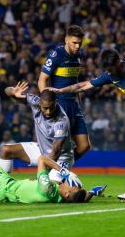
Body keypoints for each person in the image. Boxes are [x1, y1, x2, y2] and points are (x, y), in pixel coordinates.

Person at [48, 48, 125, 202]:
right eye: (108, 70)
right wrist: (60, 90)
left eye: (112, 69)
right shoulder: (111, 75)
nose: (110, 73)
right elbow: (83, 86)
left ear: (119, 61)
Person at [0, 148, 98, 204]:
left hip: (4, 185)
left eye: (69, 187)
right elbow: (80, 197)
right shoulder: (62, 197)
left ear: (66, 194)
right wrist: (91, 192)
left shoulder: (48, 189)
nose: (67, 184)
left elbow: (42, 159)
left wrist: (63, 171)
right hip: (8, 192)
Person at [0, 81, 76, 184]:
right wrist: (13, 92)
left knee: (50, 187)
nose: (48, 112)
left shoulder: (61, 121)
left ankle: (82, 191)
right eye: (45, 108)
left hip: (60, 158)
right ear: (39, 103)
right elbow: (6, 91)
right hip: (41, 150)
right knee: (6, 150)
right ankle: (2, 186)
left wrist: (40, 176)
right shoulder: (34, 101)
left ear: (56, 102)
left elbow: (56, 151)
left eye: (51, 108)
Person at [38, 25, 91, 161]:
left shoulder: (79, 56)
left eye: (80, 43)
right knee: (58, 147)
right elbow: (42, 80)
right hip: (59, 104)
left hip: (74, 104)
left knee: (84, 146)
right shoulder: (56, 55)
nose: (78, 46)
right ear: (66, 40)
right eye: (74, 43)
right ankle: (47, 173)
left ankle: (64, 168)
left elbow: (75, 80)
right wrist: (47, 105)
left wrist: (78, 100)